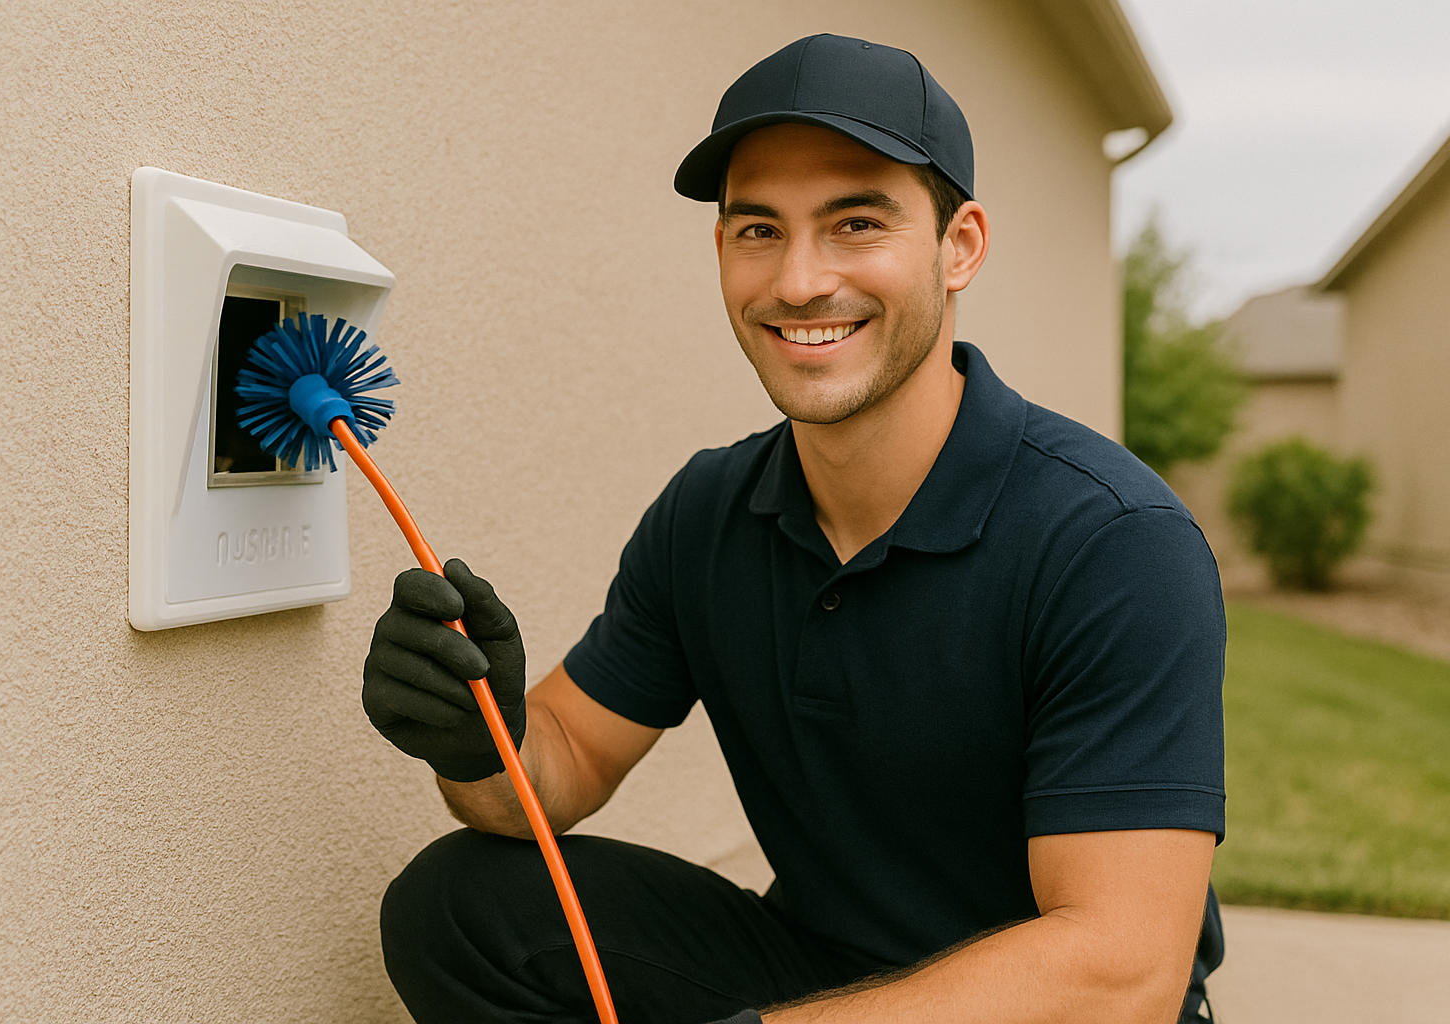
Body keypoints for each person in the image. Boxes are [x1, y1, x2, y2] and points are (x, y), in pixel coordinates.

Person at [365, 33, 1225, 1024]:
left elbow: (1122, 972)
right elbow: (558, 768)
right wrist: (477, 734)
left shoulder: (1112, 542)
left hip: (1052, 1008)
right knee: (465, 906)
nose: (801, 281)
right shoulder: (709, 512)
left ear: (961, 246)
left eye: (856, 222)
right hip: (829, 972)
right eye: (759, 229)